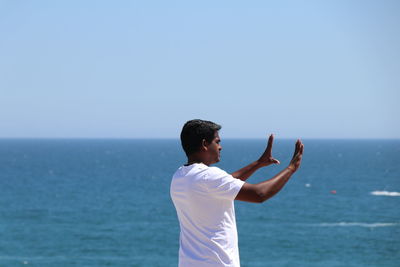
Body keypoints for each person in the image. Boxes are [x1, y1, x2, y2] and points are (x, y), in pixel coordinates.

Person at [170, 119, 304, 267]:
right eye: (217, 142)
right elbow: (259, 194)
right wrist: (291, 168)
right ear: (204, 145)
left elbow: (225, 183)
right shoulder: (208, 176)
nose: (220, 147)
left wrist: (258, 163)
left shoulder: (180, 176)